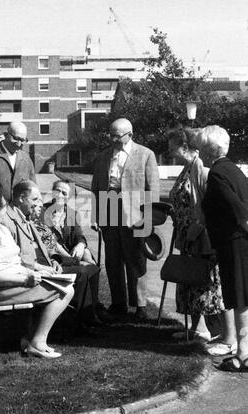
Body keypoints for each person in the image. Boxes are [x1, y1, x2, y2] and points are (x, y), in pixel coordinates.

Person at [0, 188, 74, 359]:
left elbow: (13, 263)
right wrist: (25, 279)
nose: (6, 208)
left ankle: (31, 339)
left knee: (64, 284)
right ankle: (37, 342)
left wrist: (38, 270)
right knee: (66, 290)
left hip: (8, 284)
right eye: (3, 205)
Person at [91, 118, 160, 321]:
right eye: (110, 134)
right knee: (112, 259)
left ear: (130, 134)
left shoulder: (146, 154)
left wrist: (150, 218)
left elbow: (152, 189)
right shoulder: (103, 155)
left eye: (117, 135)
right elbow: (96, 187)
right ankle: (118, 303)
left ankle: (140, 305)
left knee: (136, 259)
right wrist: (96, 214)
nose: (113, 139)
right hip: (109, 209)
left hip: (135, 214)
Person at [167, 126, 225, 342]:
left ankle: (205, 330)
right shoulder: (187, 167)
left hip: (199, 237)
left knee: (200, 280)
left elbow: (207, 204)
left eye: (172, 147)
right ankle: (195, 327)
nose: (170, 151)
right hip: (186, 236)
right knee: (188, 279)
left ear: (184, 146)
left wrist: (195, 229)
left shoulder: (199, 167)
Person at [199, 125, 248, 371]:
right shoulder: (234, 170)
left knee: (240, 298)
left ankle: (243, 355)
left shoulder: (217, 174)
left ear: (209, 150)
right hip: (240, 242)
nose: (200, 153)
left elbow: (238, 211)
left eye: (202, 148)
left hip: (234, 243)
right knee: (244, 298)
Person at [39, 179, 113, 324]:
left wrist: (80, 245)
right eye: (57, 190)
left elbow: (79, 236)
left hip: (70, 254)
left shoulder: (71, 213)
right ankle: (91, 311)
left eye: (64, 193)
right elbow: (50, 244)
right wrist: (75, 260)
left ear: (69, 197)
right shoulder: (42, 212)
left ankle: (94, 306)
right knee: (87, 266)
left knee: (91, 263)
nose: (59, 195)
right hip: (54, 257)